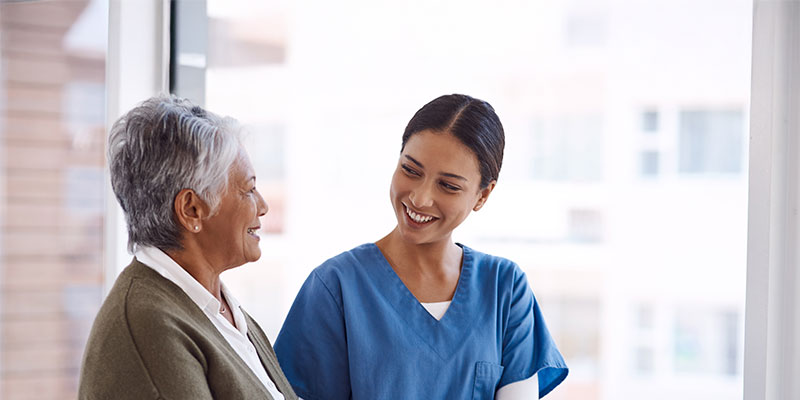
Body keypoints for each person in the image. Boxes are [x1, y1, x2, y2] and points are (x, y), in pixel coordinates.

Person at [274, 94, 568, 399]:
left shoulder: (504, 289)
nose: (419, 198)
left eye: (448, 186)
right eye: (411, 170)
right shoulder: (335, 287)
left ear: (483, 196)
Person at [78, 95, 297, 400]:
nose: (262, 206)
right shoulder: (149, 329)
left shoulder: (217, 307)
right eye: (248, 189)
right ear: (192, 209)